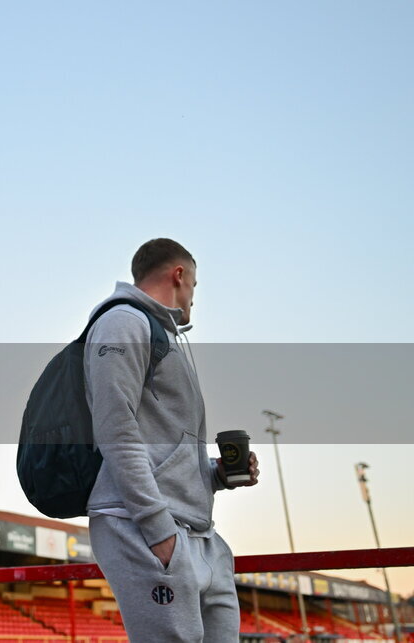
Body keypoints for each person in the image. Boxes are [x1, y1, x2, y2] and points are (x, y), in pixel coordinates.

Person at [84, 238, 259, 642]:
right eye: (194, 285)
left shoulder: (164, 335)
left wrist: (216, 474)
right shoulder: (123, 322)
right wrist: (159, 531)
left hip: (196, 531)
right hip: (148, 526)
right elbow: (115, 426)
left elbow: (160, 444)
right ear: (179, 275)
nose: (194, 298)